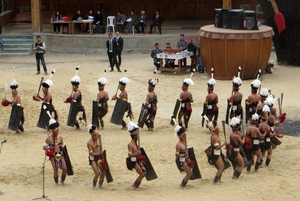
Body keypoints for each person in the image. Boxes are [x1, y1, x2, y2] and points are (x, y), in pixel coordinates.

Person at [43, 118, 67, 185]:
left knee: (65, 168)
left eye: (58, 131)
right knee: (55, 169)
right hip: (53, 155)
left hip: (60, 154)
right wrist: (48, 147)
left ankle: (62, 181)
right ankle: (56, 182)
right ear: (53, 131)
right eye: (56, 131)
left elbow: (63, 146)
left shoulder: (60, 137)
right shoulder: (48, 139)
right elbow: (44, 146)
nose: (57, 132)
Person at [127, 121, 146, 190]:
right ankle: (136, 187)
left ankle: (135, 184)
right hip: (133, 161)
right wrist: (136, 153)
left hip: (137, 160)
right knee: (142, 174)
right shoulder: (130, 144)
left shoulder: (136, 144)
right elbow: (129, 155)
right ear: (135, 136)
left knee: (144, 172)